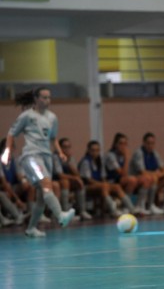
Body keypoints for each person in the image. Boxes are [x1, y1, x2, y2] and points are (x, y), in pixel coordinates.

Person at [0, 87, 75, 237]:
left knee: (41, 196)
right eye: (44, 97)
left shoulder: (53, 117)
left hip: (46, 157)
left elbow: (53, 138)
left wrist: (60, 152)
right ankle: (60, 215)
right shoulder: (27, 116)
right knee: (47, 185)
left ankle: (31, 228)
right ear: (36, 99)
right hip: (31, 156)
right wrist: (7, 151)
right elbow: (11, 133)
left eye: (49, 98)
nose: (47, 100)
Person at [78, 140, 135, 217]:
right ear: (88, 150)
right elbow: (88, 180)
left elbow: (103, 177)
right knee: (105, 186)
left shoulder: (99, 161)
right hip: (87, 187)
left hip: (100, 185)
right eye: (93, 150)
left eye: (97, 150)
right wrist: (103, 184)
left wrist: (106, 184)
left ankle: (131, 208)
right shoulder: (86, 161)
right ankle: (113, 210)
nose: (95, 152)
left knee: (116, 187)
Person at [130, 132, 164, 214]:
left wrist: (158, 174)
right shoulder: (139, 153)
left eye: (152, 143)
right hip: (139, 179)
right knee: (150, 178)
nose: (150, 145)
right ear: (144, 143)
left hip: (153, 180)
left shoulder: (154, 154)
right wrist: (156, 174)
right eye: (148, 143)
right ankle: (147, 205)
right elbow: (142, 172)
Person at [105, 133, 152, 215]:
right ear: (115, 144)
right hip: (112, 180)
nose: (123, 146)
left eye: (125, 144)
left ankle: (139, 206)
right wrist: (126, 157)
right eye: (121, 143)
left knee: (146, 179)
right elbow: (123, 173)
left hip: (124, 178)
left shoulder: (123, 155)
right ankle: (126, 207)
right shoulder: (111, 155)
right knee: (132, 180)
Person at [53, 137, 92, 220]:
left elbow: (77, 174)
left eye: (68, 147)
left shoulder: (70, 158)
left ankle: (82, 211)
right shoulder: (55, 157)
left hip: (66, 181)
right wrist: (75, 178)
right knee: (65, 182)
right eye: (64, 147)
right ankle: (65, 212)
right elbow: (60, 175)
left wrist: (68, 162)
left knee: (79, 183)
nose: (67, 149)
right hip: (54, 180)